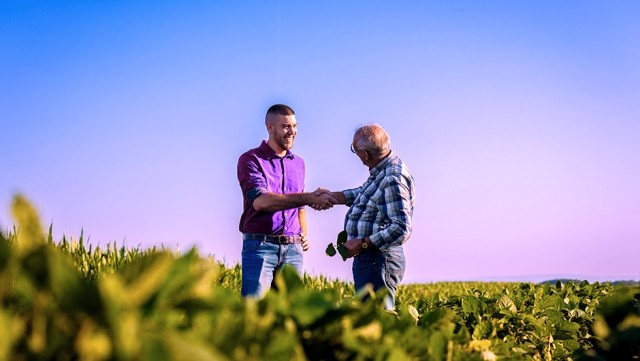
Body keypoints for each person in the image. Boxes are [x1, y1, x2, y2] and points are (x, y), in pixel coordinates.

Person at [237, 104, 336, 298]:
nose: (292, 132)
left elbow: (299, 206)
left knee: (289, 315)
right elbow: (261, 202)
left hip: (293, 250)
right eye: (285, 126)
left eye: (295, 126)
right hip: (260, 248)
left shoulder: (299, 163)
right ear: (270, 127)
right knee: (254, 312)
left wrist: (304, 234)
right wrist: (310, 197)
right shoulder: (250, 160)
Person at [317, 124, 415, 310]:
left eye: (354, 150)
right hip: (373, 259)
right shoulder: (383, 172)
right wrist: (333, 196)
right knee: (370, 316)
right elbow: (365, 194)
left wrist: (362, 243)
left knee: (376, 319)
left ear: (364, 155)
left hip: (378, 259)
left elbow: (401, 227)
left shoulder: (392, 177)